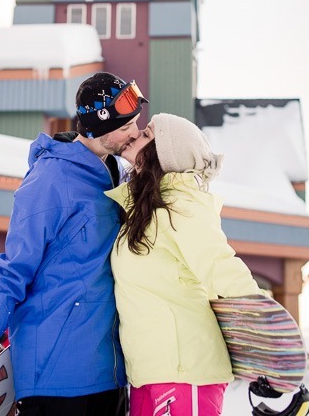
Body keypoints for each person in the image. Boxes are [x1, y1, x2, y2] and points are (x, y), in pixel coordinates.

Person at [0, 71, 148, 416]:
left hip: (109, 372)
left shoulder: (116, 176)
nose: (135, 132)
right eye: (126, 126)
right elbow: (13, 270)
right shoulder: (50, 181)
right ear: (98, 126)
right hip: (58, 375)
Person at [105, 113, 263, 416]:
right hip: (148, 371)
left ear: (164, 153)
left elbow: (219, 265)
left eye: (147, 134)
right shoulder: (142, 211)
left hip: (185, 369)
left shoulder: (181, 203)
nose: (136, 134)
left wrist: (267, 340)